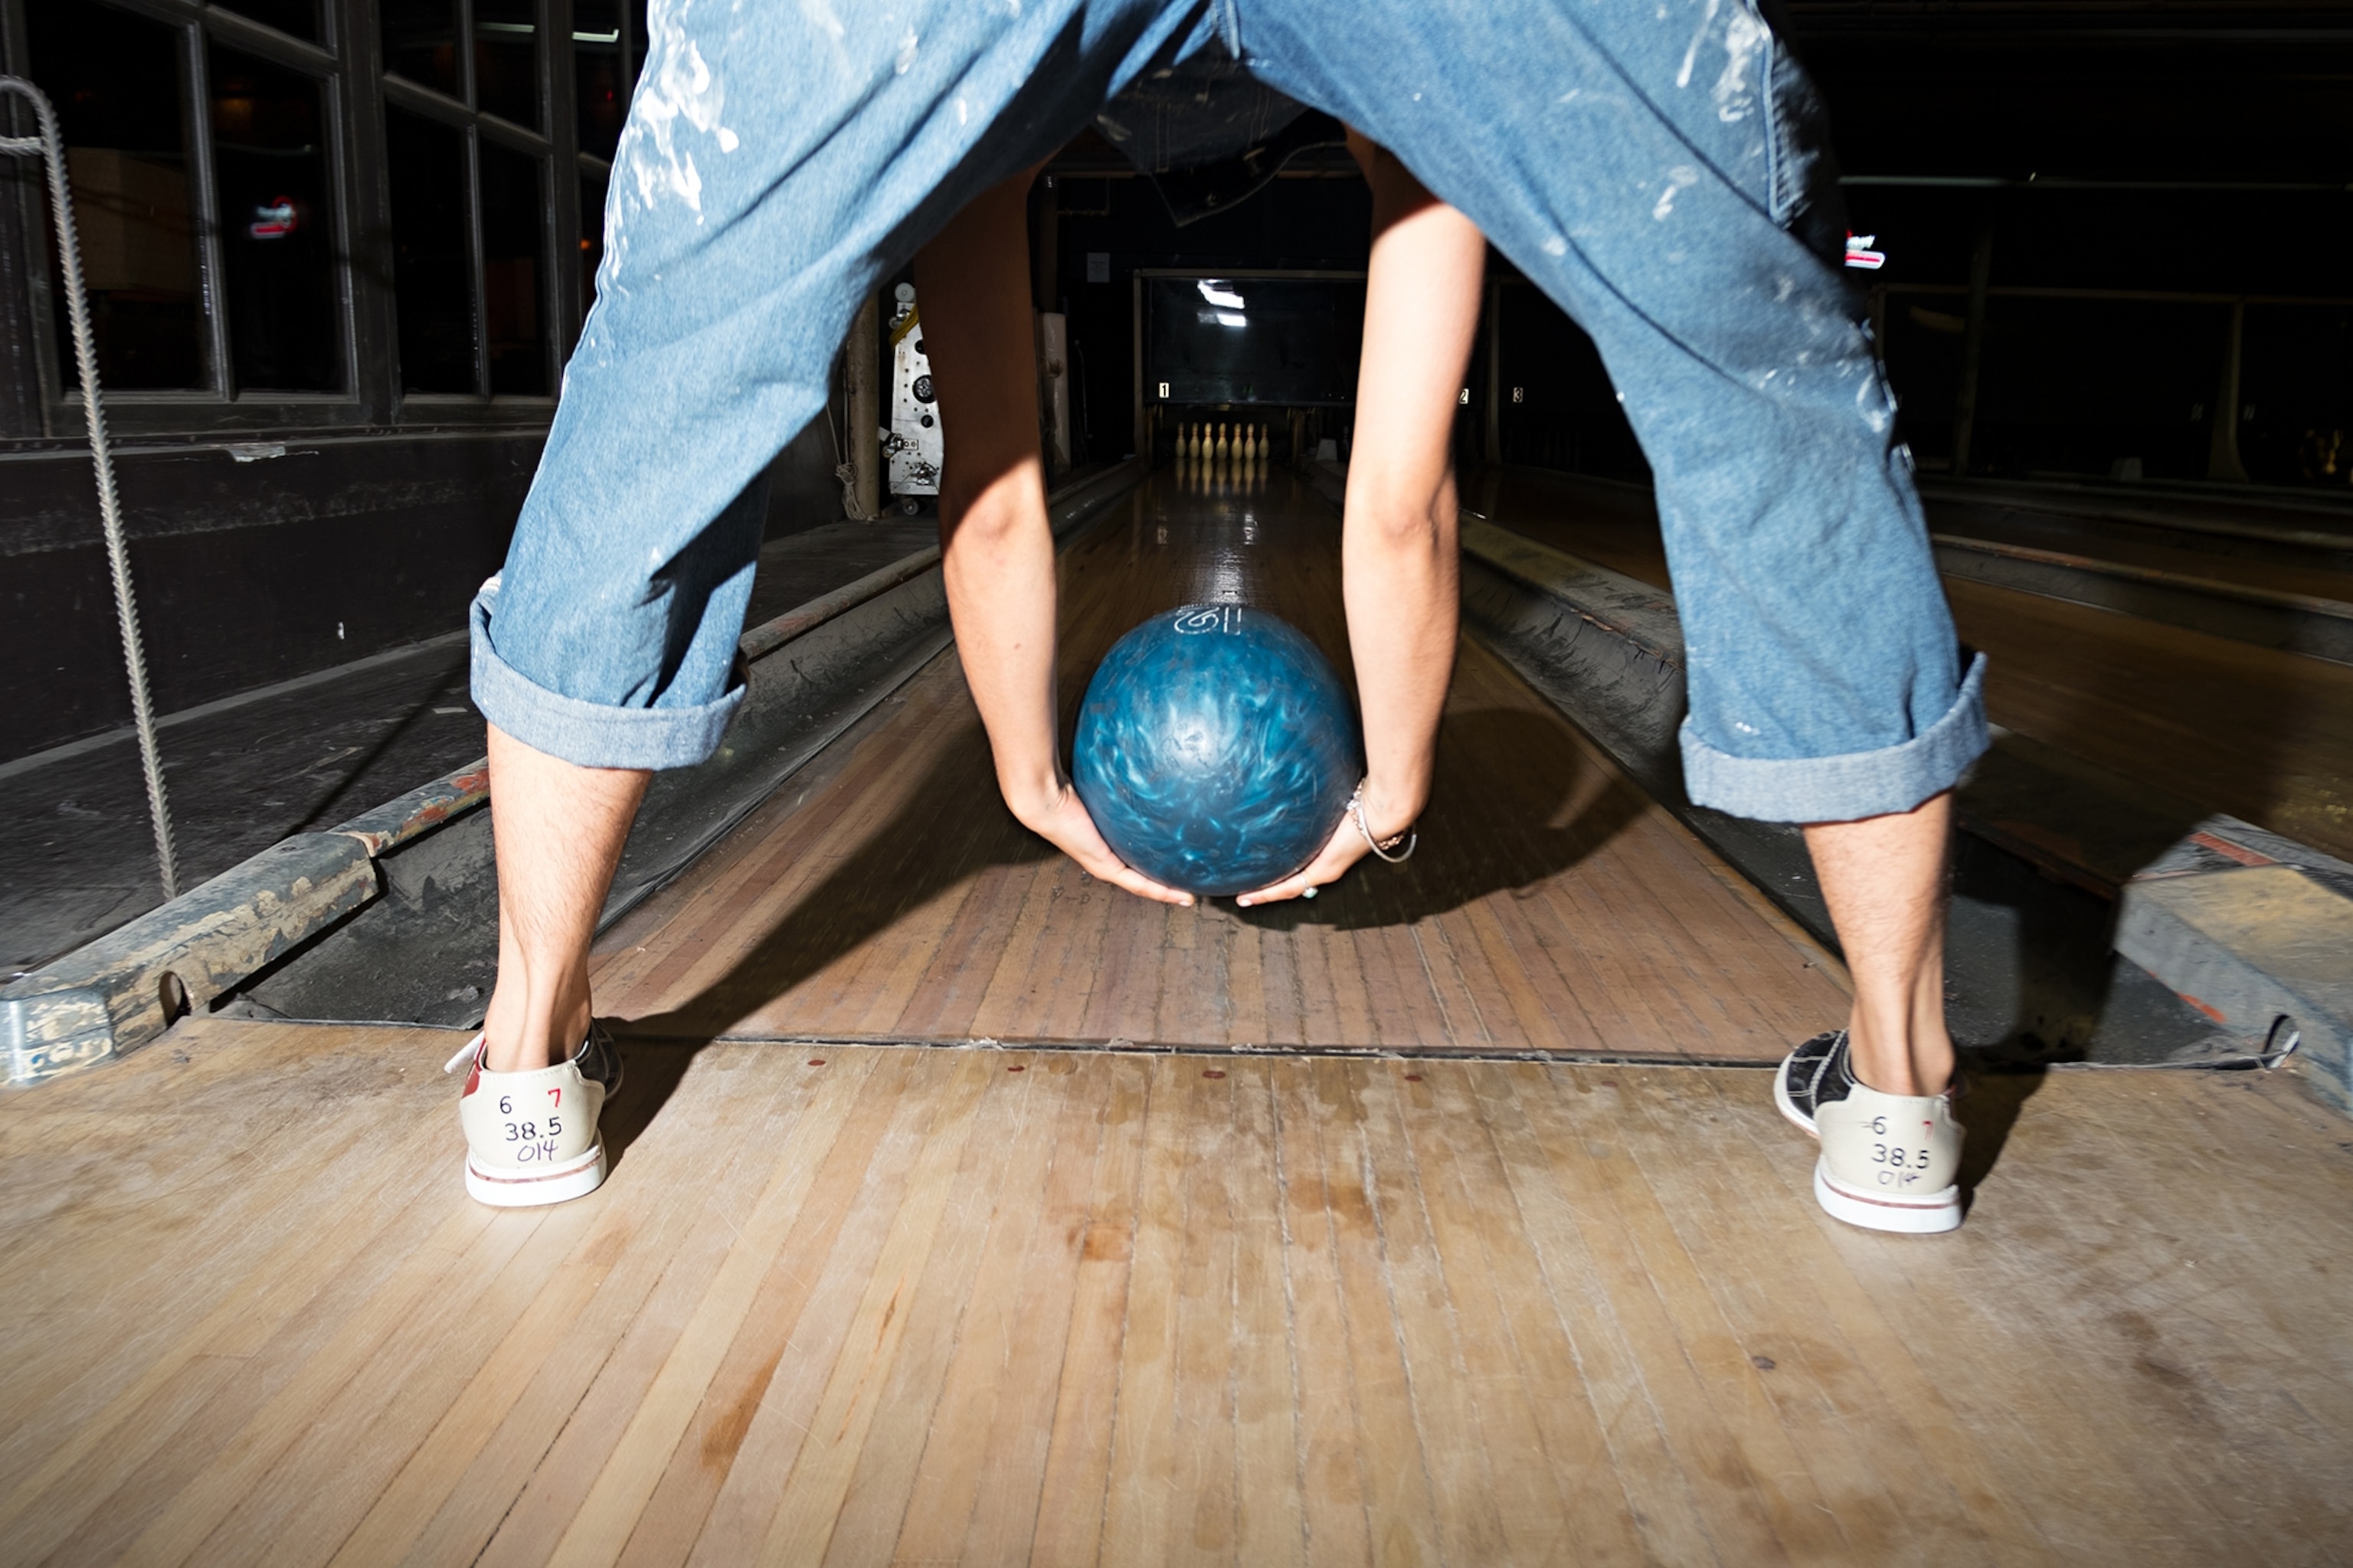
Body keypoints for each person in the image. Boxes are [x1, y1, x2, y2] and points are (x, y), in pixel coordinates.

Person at [452, 1, 1981, 1236]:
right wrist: (1392, 779)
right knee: (1761, 372)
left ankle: (528, 1059)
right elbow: (1395, 502)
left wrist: (1027, 776)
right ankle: (1900, 1095)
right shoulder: (1398, 125)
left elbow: (991, 498)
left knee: (677, 365)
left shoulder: (1005, 132)